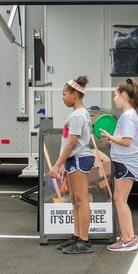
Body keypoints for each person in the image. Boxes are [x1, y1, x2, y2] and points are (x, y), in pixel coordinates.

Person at [48, 76, 95, 255]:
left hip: (79, 159)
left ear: (75, 95)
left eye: (64, 94)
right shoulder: (80, 113)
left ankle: (84, 240)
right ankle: (77, 236)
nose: (63, 97)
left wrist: (57, 164)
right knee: (75, 200)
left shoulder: (77, 115)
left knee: (81, 200)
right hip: (76, 159)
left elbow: (71, 143)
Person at [100, 78, 138, 252]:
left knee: (120, 200)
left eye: (115, 95)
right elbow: (126, 141)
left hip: (127, 162)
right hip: (125, 161)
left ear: (124, 96)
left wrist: (109, 137)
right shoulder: (130, 115)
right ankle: (128, 237)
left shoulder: (128, 116)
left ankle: (128, 239)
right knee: (120, 200)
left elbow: (126, 142)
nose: (114, 98)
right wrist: (111, 141)